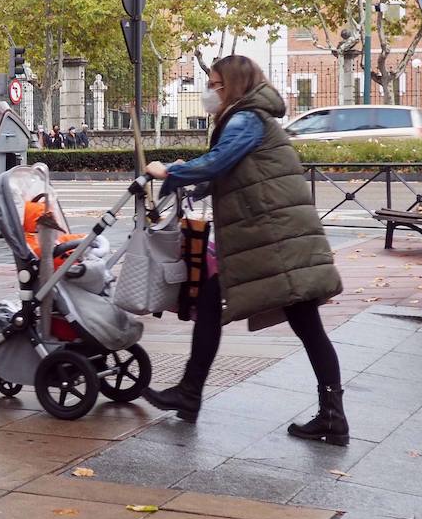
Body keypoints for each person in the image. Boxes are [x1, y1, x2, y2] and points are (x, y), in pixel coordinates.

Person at [143, 55, 349, 446]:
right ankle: (190, 393)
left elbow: (219, 162)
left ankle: (332, 416)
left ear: (233, 84)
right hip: (271, 239)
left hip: (276, 243)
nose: (210, 92)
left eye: (216, 84)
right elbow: (228, 173)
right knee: (215, 301)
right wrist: (189, 177)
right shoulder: (252, 117)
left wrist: (169, 172)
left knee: (306, 324)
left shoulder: (246, 118)